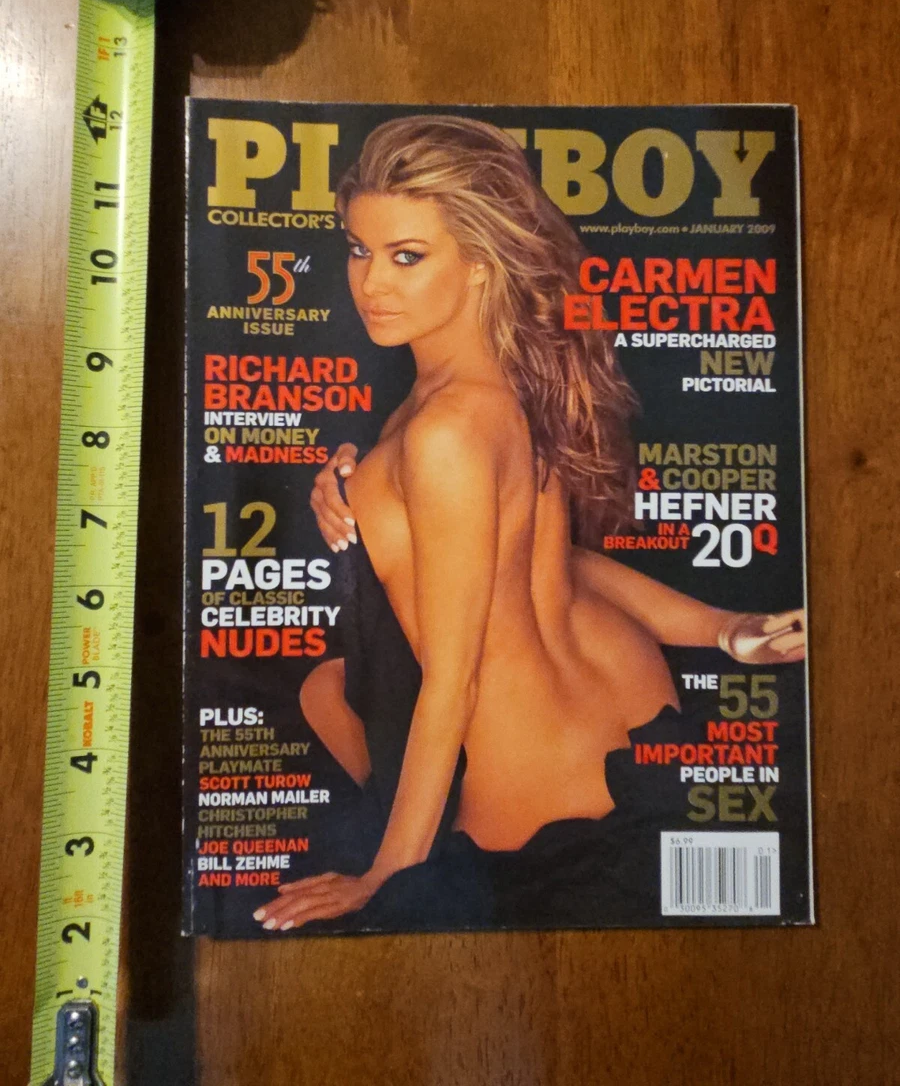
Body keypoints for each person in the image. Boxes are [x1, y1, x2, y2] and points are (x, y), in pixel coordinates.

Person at [253, 116, 805, 932]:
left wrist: (386, 874)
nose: (371, 283)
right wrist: (724, 627)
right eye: (360, 249)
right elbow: (552, 564)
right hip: (632, 695)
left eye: (408, 256)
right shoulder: (501, 381)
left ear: (480, 262)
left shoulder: (444, 431)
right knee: (326, 687)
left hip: (540, 795)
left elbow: (455, 681)